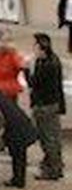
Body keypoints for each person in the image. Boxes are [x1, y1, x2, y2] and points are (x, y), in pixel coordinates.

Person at [30, 33, 65, 180]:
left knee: (48, 138)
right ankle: (54, 164)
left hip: (45, 105)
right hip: (51, 104)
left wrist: (27, 71)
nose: (34, 50)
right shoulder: (53, 61)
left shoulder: (46, 65)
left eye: (36, 47)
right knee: (53, 137)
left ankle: (53, 168)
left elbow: (34, 83)